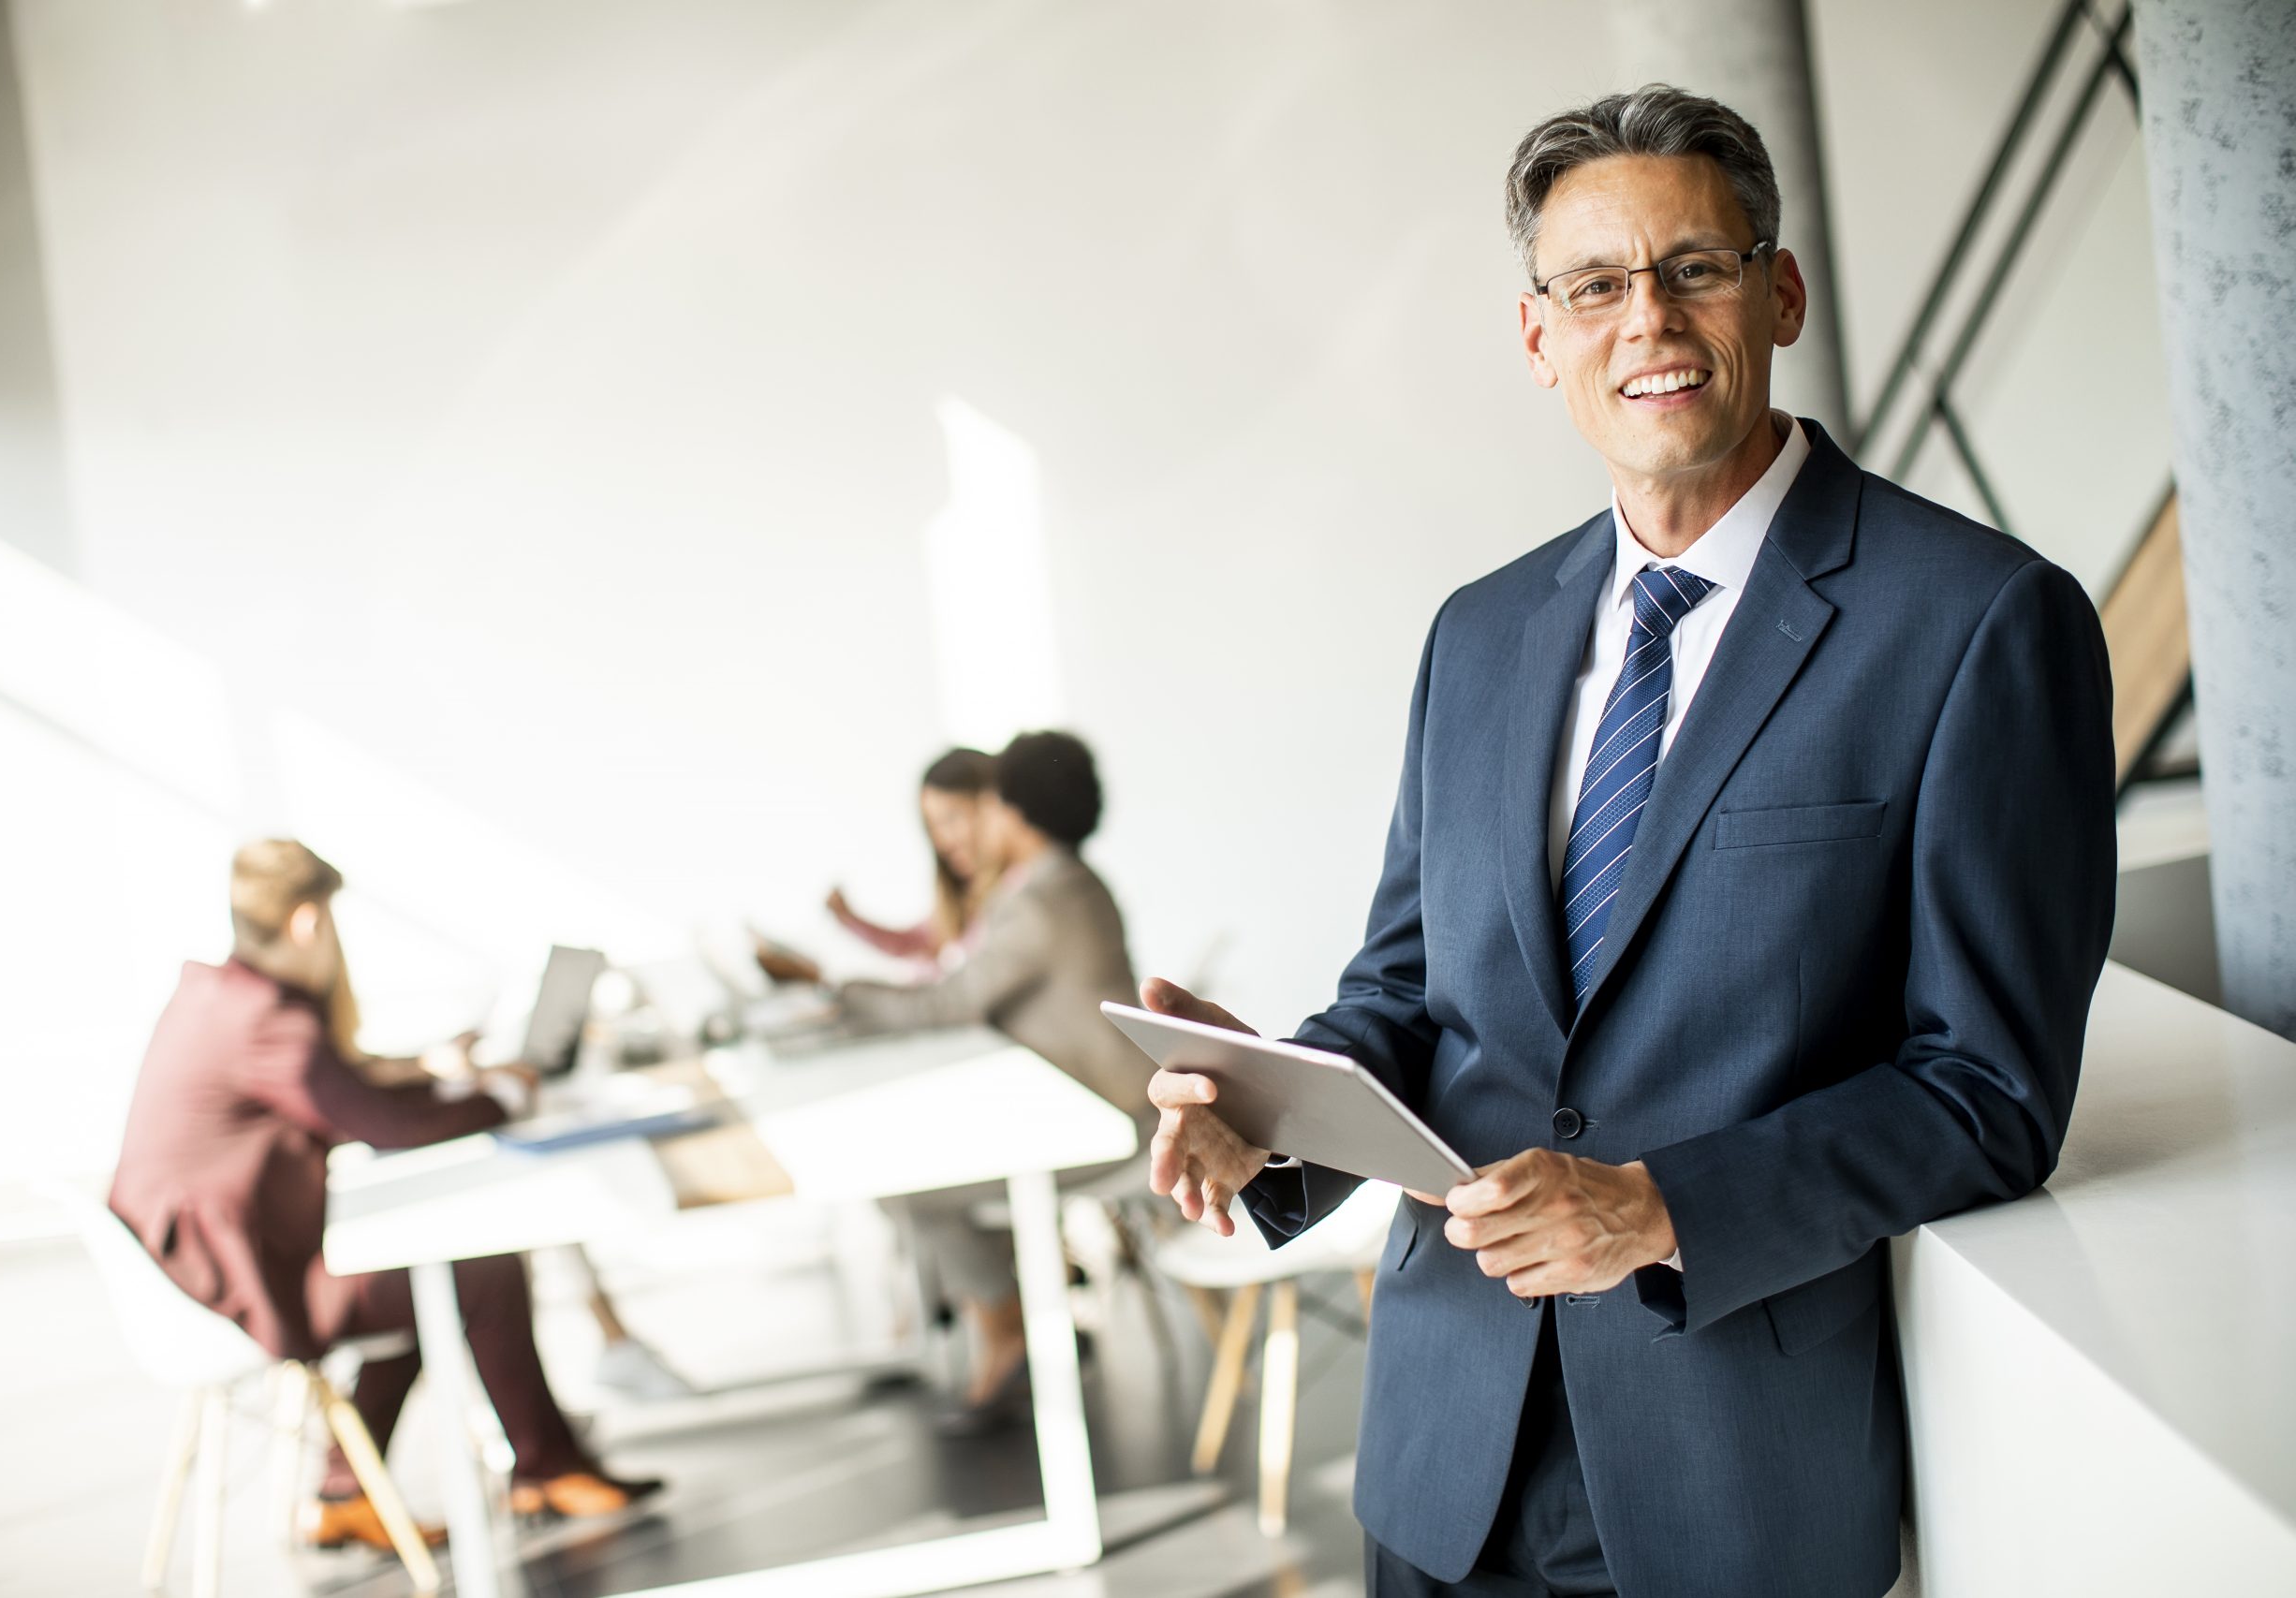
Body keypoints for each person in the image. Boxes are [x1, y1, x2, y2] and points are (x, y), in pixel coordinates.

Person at [1141, 86, 2113, 1598]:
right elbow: (1408, 992)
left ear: (1779, 292)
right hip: (1439, 1446)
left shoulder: (1980, 620)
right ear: (1540, 337)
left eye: (1696, 267)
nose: (1646, 316)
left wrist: (1665, 1205)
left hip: (1732, 1467)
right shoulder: (1478, 634)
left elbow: (1989, 1090)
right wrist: (1266, 1107)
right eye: (1595, 284)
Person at [110, 841, 662, 1553]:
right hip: (233, 1287)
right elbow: (386, 1123)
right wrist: (504, 1091)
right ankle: (546, 1467)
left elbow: (338, 1087)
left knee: (425, 1273)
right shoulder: (266, 1018)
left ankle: (347, 1493)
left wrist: (429, 1069)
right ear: (309, 922)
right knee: (475, 1269)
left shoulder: (224, 996)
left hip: (197, 1267)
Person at [838, 731, 1159, 1429]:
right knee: (918, 1168)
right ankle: (1021, 1320)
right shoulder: (1066, 883)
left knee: (908, 1185)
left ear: (1012, 815)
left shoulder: (1043, 899)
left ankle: (1010, 1331)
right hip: (1102, 1107)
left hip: (1116, 1126)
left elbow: (947, 1002)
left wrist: (840, 994)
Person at [756, 747, 997, 986]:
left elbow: (954, 989)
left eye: (952, 818)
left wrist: (833, 987)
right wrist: (850, 918)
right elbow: (918, 943)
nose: (943, 841)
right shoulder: (962, 897)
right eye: (933, 826)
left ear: (995, 808)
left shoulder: (1015, 897)